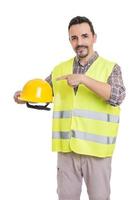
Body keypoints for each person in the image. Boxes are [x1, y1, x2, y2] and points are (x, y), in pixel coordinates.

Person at [14, 16, 126, 200]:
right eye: (74, 38)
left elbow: (118, 96)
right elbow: (44, 91)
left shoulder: (110, 68)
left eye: (84, 36)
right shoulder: (60, 69)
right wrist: (24, 95)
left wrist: (84, 79)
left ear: (94, 38)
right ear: (70, 41)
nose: (79, 42)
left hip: (96, 153)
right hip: (67, 151)